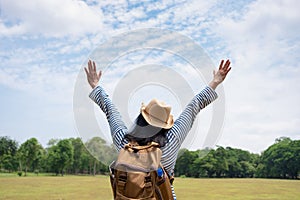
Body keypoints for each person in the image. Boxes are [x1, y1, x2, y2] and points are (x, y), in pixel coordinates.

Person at [85, 59, 231, 199]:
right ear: (164, 125)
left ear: (141, 119)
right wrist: (215, 82)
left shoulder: (123, 141)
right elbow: (194, 106)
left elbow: (111, 111)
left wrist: (95, 85)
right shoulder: (171, 140)